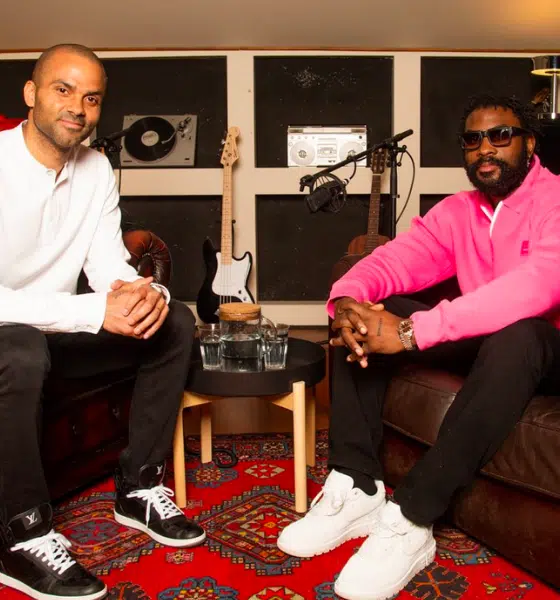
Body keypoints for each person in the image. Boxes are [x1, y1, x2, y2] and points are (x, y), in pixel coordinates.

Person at [277, 94, 560, 600]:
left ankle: (411, 517)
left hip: (546, 348)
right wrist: (348, 301)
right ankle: (356, 483)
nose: (485, 148)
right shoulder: (458, 211)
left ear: (529, 143)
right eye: (473, 139)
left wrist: (411, 332)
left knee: (522, 332)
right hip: (489, 343)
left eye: (501, 135)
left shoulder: (556, 200)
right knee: (369, 311)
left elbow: (537, 287)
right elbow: (396, 260)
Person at [0, 44, 205, 600]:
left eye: (91, 98)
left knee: (174, 322)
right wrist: (94, 310)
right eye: (63, 90)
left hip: (59, 330)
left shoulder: (95, 169)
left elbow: (108, 264)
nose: (78, 107)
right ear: (31, 94)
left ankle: (138, 489)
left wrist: (147, 294)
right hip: (11, 338)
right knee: (19, 348)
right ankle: (20, 535)